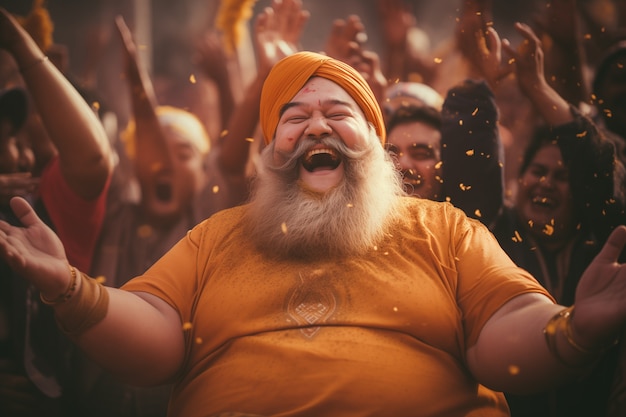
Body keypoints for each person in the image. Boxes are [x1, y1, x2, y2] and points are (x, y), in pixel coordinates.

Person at [2, 50, 626, 417]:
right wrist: (71, 290)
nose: (317, 127)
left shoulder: (443, 228)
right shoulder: (218, 236)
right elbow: (156, 340)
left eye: (339, 114)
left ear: (375, 146)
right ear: (272, 150)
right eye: (294, 118)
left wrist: (573, 329)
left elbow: (502, 336)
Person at [0, 6, 113, 417]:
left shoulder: (35, 216)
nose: (25, 152)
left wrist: (18, 44)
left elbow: (93, 159)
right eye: (9, 138)